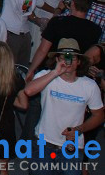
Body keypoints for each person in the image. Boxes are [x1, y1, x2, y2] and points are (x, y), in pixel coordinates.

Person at [24, 38, 104, 174]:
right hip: (43, 144)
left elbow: (99, 115)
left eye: (72, 58)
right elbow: (28, 90)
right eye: (64, 57)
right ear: (56, 59)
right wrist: (55, 72)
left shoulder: (89, 86)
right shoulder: (46, 76)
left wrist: (79, 129)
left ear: (79, 62)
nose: (68, 61)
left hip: (72, 147)